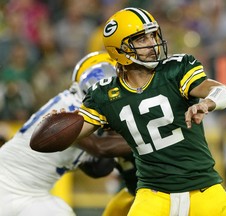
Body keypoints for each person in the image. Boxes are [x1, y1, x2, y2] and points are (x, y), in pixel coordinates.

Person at [38, 7, 226, 216]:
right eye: (141, 39)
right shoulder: (105, 94)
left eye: (152, 35)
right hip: (153, 195)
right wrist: (53, 126)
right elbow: (74, 136)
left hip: (205, 188)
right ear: (119, 49)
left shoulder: (176, 69)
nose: (152, 44)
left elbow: (223, 90)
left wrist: (208, 103)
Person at [0, 51, 131, 216]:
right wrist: (147, 137)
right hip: (5, 184)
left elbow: (98, 169)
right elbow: (100, 148)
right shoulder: (72, 109)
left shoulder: (82, 106)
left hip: (34, 194)